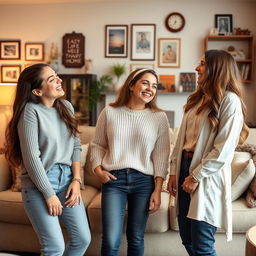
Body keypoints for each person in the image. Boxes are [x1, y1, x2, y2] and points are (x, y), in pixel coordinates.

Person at [167, 50, 248, 256]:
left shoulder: (230, 101)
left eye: (202, 64)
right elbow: (180, 142)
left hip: (206, 175)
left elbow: (223, 149)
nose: (197, 68)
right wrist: (174, 172)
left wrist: (196, 176)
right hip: (185, 168)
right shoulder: (195, 100)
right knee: (187, 239)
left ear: (217, 69)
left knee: (202, 245)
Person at [5, 63, 91, 256]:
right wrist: (48, 193)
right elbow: (31, 158)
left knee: (82, 239)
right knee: (54, 248)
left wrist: (76, 180)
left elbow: (76, 146)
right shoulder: (30, 112)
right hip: (39, 185)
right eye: (52, 79)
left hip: (68, 180)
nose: (60, 80)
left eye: (56, 76)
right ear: (37, 90)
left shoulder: (66, 107)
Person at [90, 68, 170, 256]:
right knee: (110, 239)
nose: (150, 88)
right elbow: (97, 145)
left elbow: (161, 156)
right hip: (113, 180)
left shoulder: (159, 117)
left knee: (136, 237)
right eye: (145, 83)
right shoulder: (109, 111)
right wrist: (97, 170)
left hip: (144, 182)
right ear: (132, 85)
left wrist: (157, 190)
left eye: (154, 86)